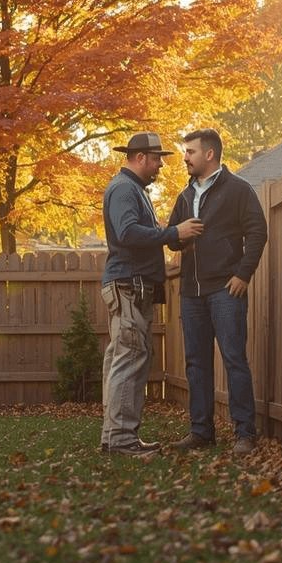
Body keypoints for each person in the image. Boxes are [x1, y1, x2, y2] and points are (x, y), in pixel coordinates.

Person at [100, 132, 204, 457]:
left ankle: (114, 437)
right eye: (157, 158)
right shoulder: (124, 189)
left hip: (132, 285)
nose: (161, 164)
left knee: (124, 358)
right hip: (129, 285)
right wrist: (173, 232)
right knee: (130, 359)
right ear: (140, 157)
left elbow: (138, 235)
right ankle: (121, 440)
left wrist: (173, 240)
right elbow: (128, 233)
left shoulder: (134, 189)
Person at [166, 127, 268, 454]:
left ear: (209, 154)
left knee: (234, 359)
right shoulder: (185, 196)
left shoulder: (238, 189)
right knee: (196, 364)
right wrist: (179, 235)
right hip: (191, 292)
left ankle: (245, 433)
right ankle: (201, 432)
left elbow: (258, 232)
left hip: (225, 290)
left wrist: (243, 274)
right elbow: (171, 237)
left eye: (191, 152)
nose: (185, 158)